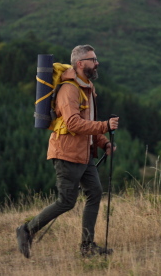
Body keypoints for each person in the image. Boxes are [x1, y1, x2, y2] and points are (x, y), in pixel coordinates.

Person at [16, 44, 119, 258]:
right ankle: (26, 230)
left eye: (95, 58)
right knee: (66, 201)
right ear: (80, 63)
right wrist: (105, 126)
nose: (96, 62)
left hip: (85, 153)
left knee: (95, 193)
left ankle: (87, 246)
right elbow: (73, 123)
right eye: (92, 59)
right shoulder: (69, 89)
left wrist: (103, 142)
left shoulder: (86, 87)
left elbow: (87, 122)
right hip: (67, 154)